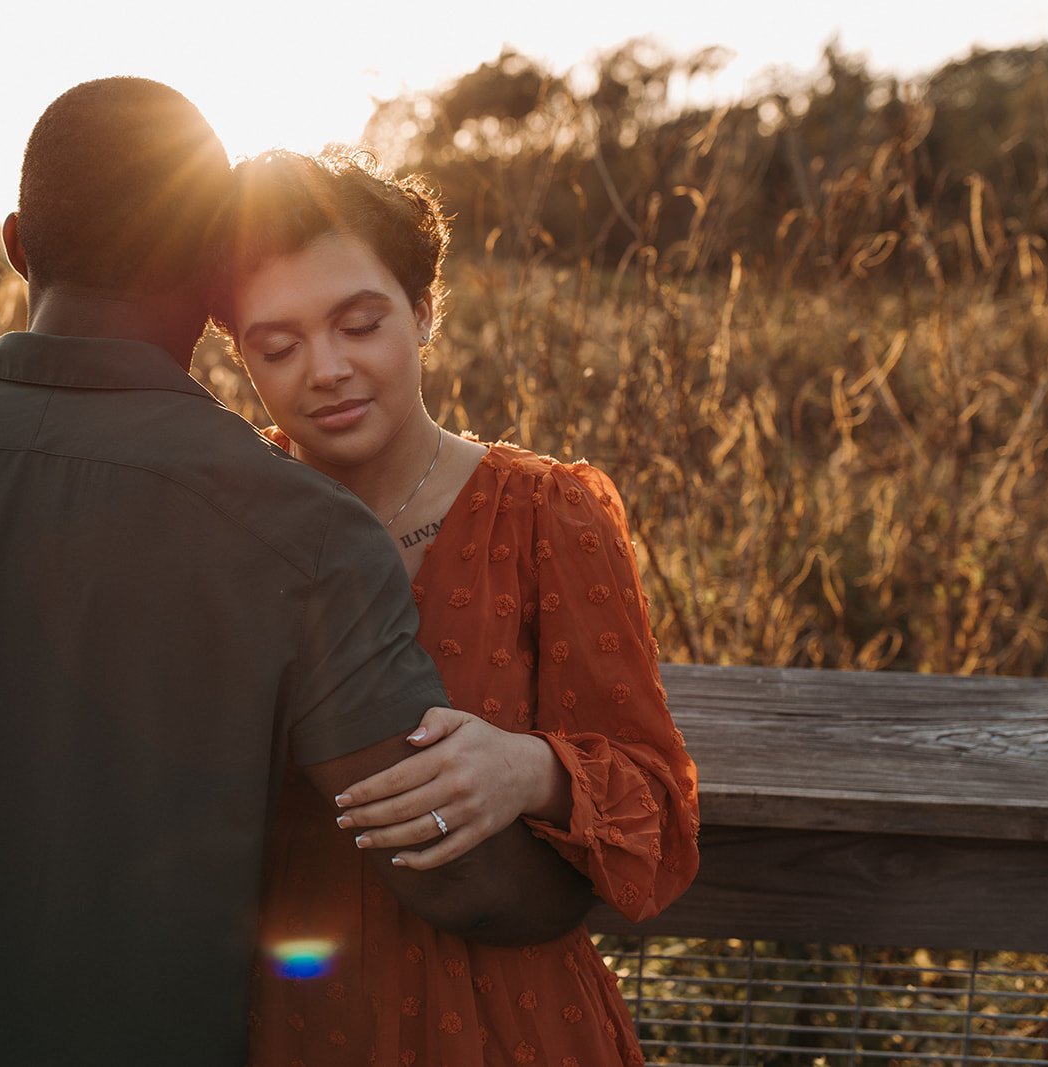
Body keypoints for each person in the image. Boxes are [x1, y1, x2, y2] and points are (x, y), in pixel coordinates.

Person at [0, 80, 593, 1066]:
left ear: (17, 243)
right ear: (212, 269)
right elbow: (442, 863)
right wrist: (576, 882)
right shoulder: (301, 532)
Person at [211, 149, 701, 1066]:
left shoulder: (547, 515)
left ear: (425, 310)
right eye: (276, 346)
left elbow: (662, 808)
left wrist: (533, 768)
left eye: (361, 324)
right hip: (287, 1016)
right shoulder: (221, 516)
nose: (326, 369)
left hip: (508, 1016)